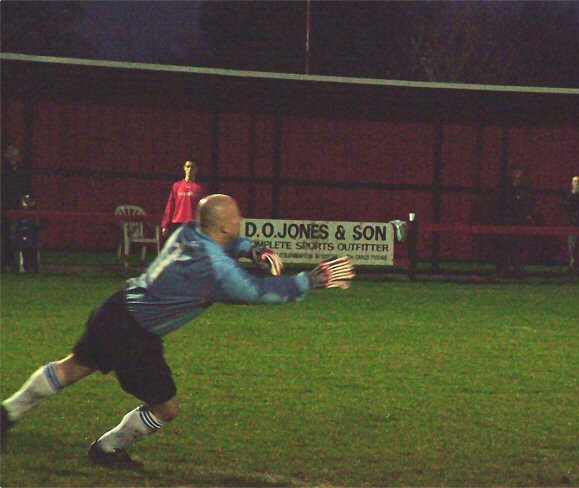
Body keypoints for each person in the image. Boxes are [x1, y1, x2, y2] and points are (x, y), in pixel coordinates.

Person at [0, 194, 355, 469]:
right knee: (166, 407)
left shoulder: (188, 231)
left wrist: (253, 248)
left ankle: (8, 412)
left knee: (73, 366)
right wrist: (311, 279)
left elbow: (232, 246)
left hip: (118, 306)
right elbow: (255, 291)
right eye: (236, 217)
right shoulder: (216, 269)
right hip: (136, 335)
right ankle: (107, 449)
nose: (241, 219)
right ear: (222, 226)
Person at [495, 166, 535, 278]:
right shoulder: (504, 189)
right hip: (507, 221)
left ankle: (518, 270)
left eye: (518, 173)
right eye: (514, 173)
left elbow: (530, 203)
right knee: (505, 246)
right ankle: (504, 269)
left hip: (521, 222)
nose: (516, 175)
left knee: (520, 247)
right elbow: (499, 204)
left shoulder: (525, 189)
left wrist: (528, 214)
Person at [1, 145, 31, 273]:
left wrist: (27, 207)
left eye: (15, 155)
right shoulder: (3, 172)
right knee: (5, 237)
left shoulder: (22, 173)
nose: (13, 158)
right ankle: (6, 264)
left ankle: (24, 264)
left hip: (19, 210)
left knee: (23, 236)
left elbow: (26, 192)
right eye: (10, 155)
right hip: (4, 209)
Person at [161, 159, 207, 237]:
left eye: (192, 167)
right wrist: (165, 224)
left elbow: (204, 208)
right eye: (188, 166)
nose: (190, 169)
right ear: (184, 168)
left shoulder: (200, 188)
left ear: (196, 170)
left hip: (194, 223)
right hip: (178, 222)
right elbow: (170, 206)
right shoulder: (176, 186)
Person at [10, 194, 45, 273]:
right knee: (24, 253)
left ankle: (35, 269)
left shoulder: (36, 212)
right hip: (24, 236)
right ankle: (24, 269)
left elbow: (41, 225)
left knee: (34, 253)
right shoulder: (20, 213)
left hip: (33, 237)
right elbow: (16, 226)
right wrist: (15, 237)